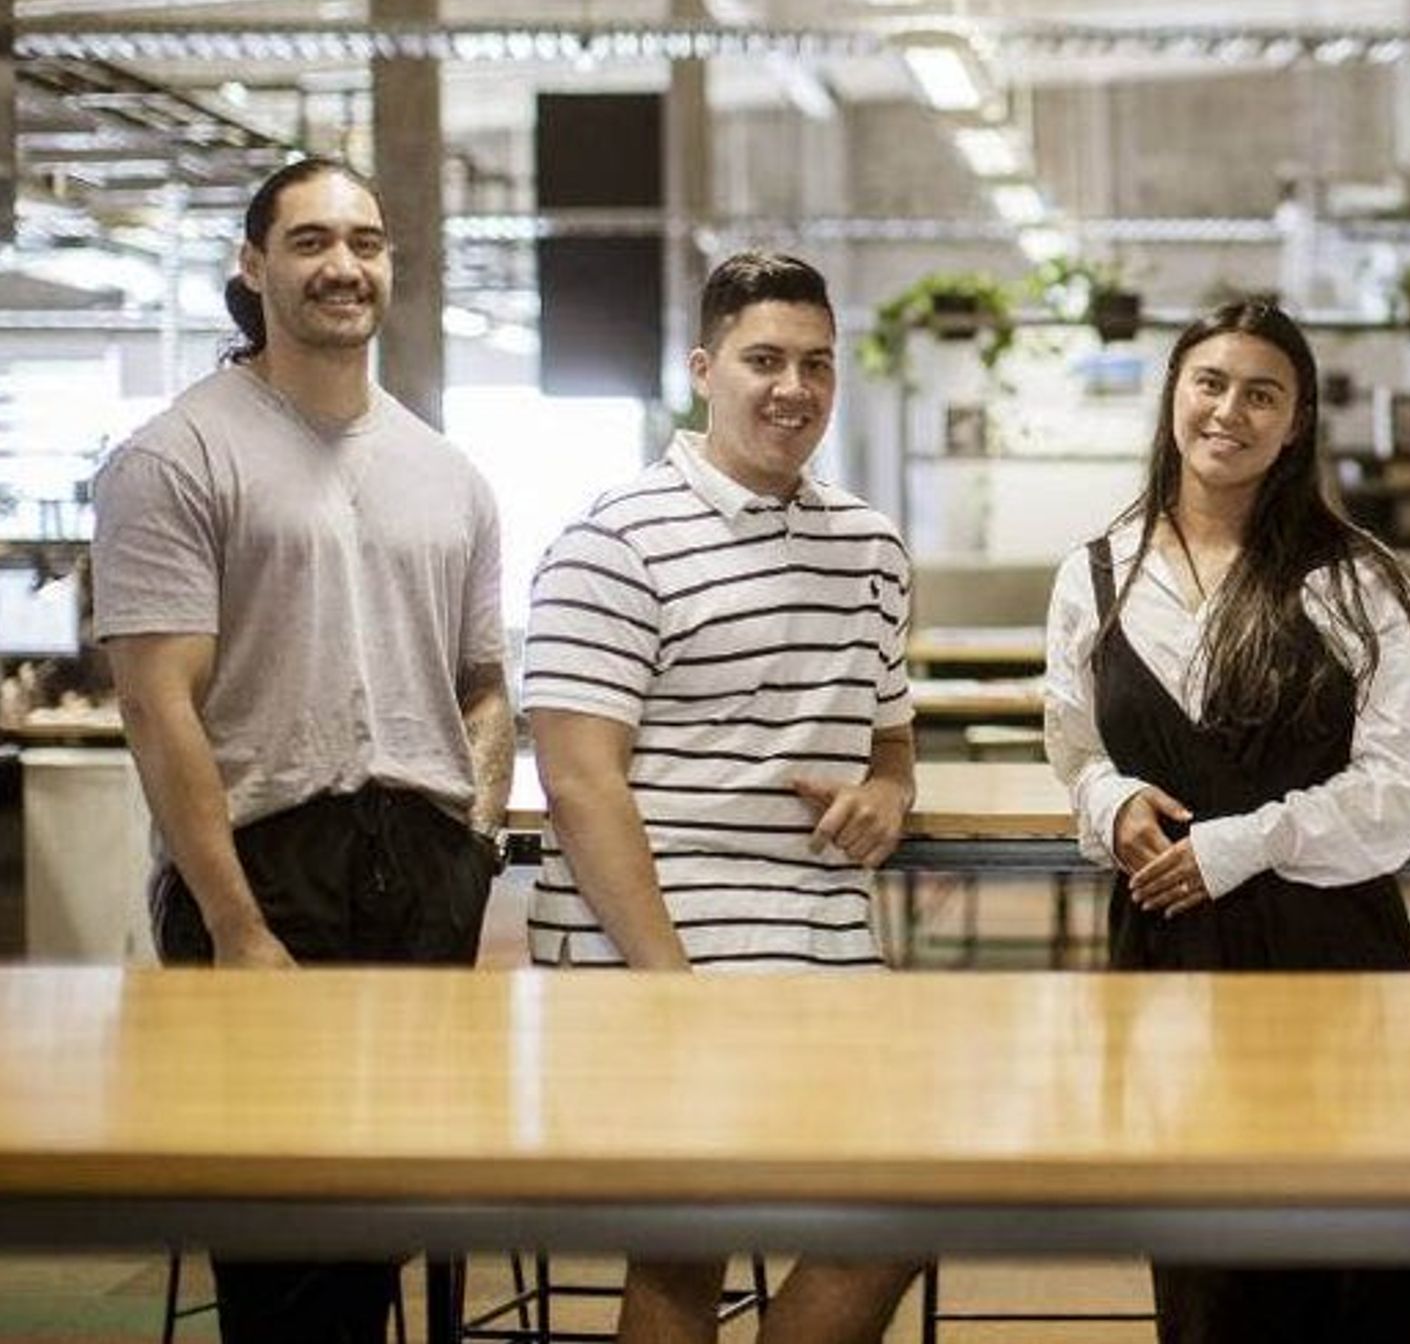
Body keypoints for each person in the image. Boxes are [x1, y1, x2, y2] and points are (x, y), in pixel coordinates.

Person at [93, 155, 512, 1344]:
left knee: (380, 1215)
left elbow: (485, 684)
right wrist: (235, 924)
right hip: (264, 867)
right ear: (253, 265)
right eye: (313, 241)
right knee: (284, 1242)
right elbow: (157, 704)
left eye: (367, 241)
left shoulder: (450, 472)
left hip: (422, 862)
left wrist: (474, 843)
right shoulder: (175, 458)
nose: (345, 265)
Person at [523, 251, 920, 1344]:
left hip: (821, 943)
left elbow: (891, 727)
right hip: (654, 953)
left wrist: (890, 785)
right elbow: (578, 778)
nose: (793, 386)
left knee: (905, 1203)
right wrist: (670, 985)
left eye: (816, 363)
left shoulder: (871, 545)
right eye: (763, 359)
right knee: (687, 1238)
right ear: (704, 368)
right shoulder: (612, 539)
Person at [1042, 298, 1410, 1344]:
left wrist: (1241, 842)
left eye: (1262, 392)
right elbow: (1075, 746)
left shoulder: (1356, 580)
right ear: (1174, 393)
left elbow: (1401, 788)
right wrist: (1112, 798)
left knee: (1354, 1266)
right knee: (1205, 1272)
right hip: (1173, 949)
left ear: (1297, 421)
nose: (1231, 409)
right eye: (1210, 381)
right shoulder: (1097, 572)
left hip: (1334, 954)